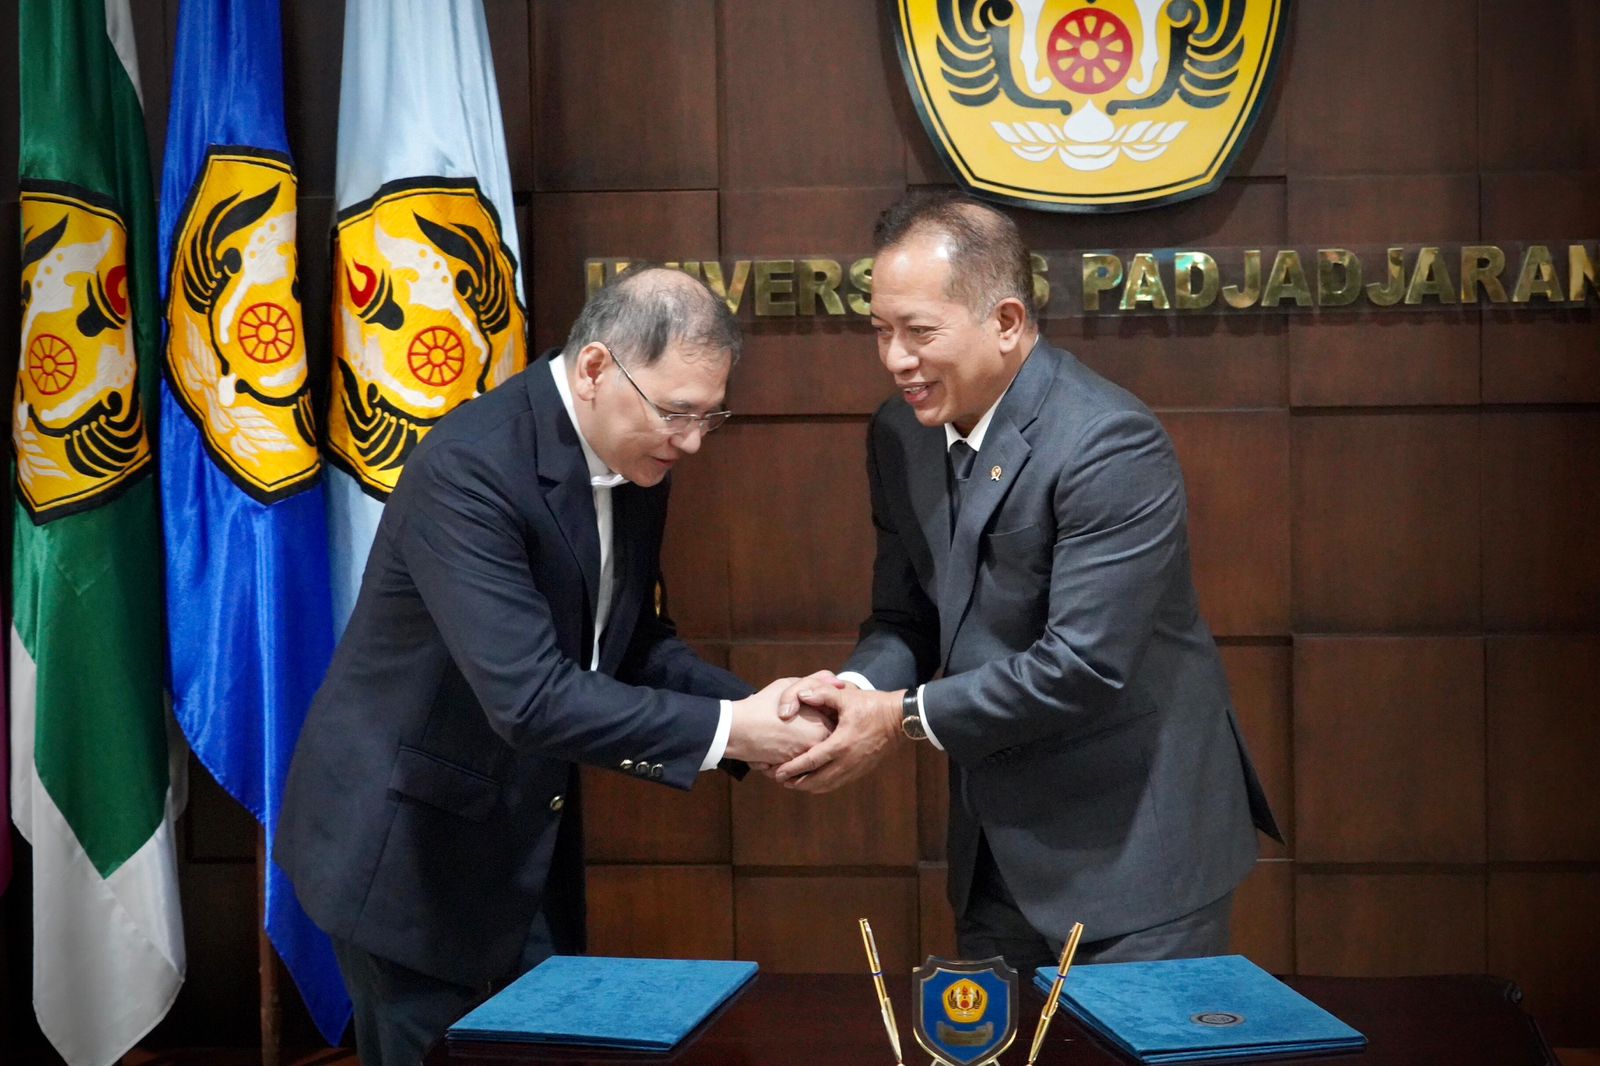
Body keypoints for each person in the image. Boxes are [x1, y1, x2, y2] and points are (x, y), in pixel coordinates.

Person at [277, 267, 830, 1065]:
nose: (693, 442)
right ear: (598, 368)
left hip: (520, 841)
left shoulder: (638, 457)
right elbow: (530, 697)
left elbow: (628, 642)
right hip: (406, 853)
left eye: (712, 417)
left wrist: (765, 712)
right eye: (677, 413)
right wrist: (730, 733)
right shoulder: (471, 469)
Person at [773, 191, 1280, 971]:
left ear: (1006, 322)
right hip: (995, 857)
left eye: (919, 333)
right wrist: (850, 694)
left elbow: (1082, 666)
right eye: (880, 332)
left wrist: (897, 719)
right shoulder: (899, 434)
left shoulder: (1108, 443)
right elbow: (902, 618)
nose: (895, 360)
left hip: (1135, 855)